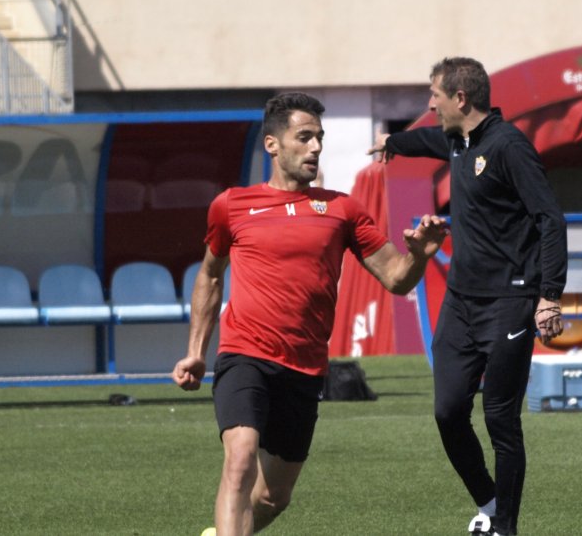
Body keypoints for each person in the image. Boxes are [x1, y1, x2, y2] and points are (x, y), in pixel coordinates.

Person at [172, 93, 448, 536]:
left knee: (271, 498)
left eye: (319, 137)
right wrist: (196, 353)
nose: (316, 147)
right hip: (244, 355)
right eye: (305, 137)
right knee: (240, 458)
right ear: (273, 145)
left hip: (303, 368)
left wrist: (420, 256)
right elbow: (209, 275)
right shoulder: (232, 205)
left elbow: (396, 279)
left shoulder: (343, 209)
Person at [369, 57, 567, 536]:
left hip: (510, 301)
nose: (428, 104)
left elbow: (550, 220)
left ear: (461, 98)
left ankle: (506, 527)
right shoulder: (457, 142)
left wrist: (550, 295)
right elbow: (425, 139)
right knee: (447, 411)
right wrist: (391, 143)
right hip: (460, 303)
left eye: (434, 95)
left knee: (500, 419)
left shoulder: (508, 146)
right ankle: (489, 501)